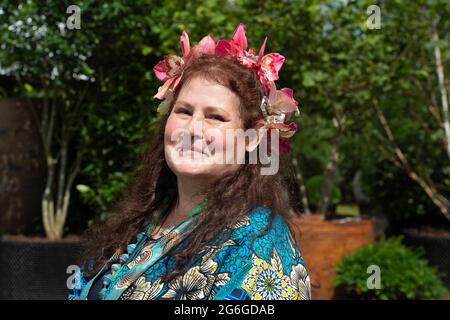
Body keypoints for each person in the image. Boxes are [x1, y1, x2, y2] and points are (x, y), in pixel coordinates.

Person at [69, 23, 311, 300]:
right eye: (183, 111)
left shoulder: (259, 245)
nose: (193, 129)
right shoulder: (144, 219)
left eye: (215, 117)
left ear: (252, 137)